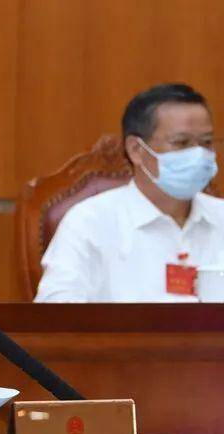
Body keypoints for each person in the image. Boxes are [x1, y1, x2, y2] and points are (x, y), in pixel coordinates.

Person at [36, 83, 224, 302]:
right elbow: (57, 314)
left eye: (206, 142)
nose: (198, 154)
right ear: (136, 150)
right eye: (181, 143)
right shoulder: (89, 223)